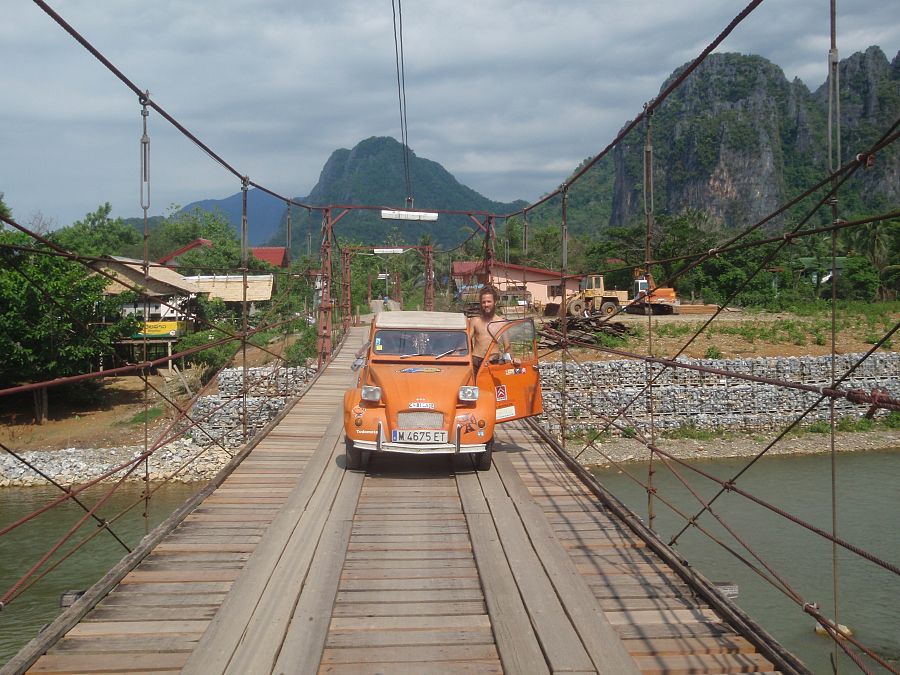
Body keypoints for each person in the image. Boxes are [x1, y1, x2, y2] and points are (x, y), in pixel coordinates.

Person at [469, 285, 518, 373]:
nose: (486, 305)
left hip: (493, 362)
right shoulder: (475, 321)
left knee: (491, 387)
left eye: (489, 301)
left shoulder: (502, 323)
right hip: (475, 362)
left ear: (495, 302)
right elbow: (467, 342)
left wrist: (513, 359)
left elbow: (507, 347)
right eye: (483, 302)